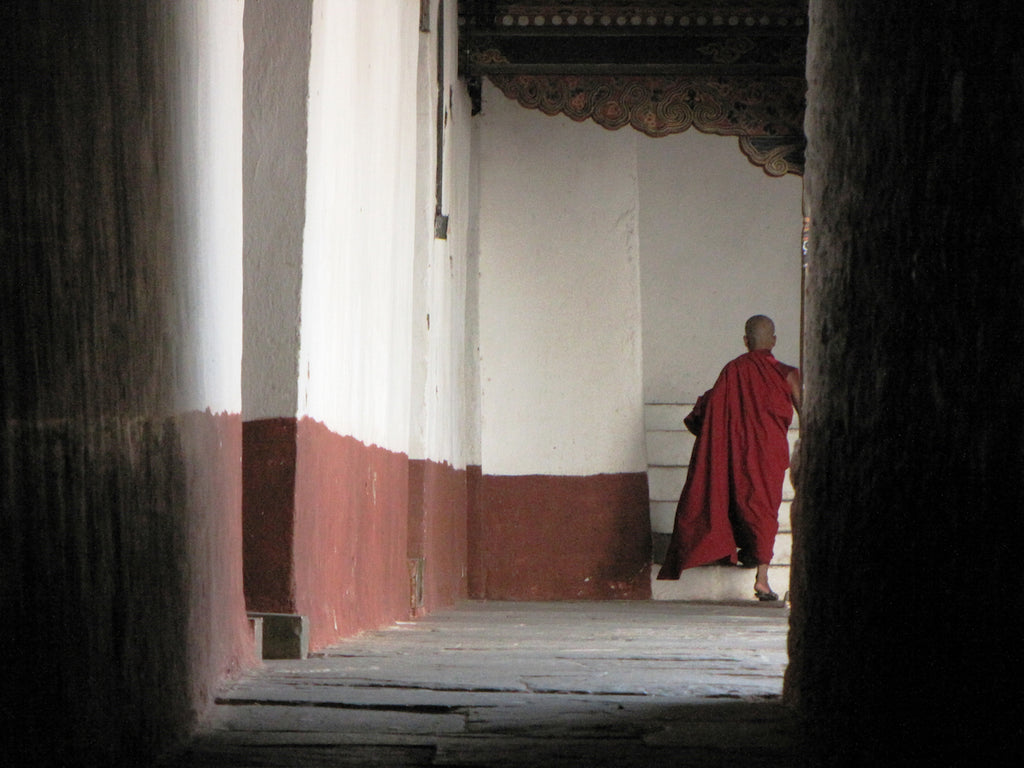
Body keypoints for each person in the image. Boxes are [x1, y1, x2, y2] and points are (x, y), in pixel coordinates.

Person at [657, 315, 801, 601]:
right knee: (763, 508)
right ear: (773, 341)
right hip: (768, 454)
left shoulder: (733, 370)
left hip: (736, 451)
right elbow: (806, 411)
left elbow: (709, 406)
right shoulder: (787, 373)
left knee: (736, 499)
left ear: (746, 341)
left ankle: (742, 554)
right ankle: (761, 577)